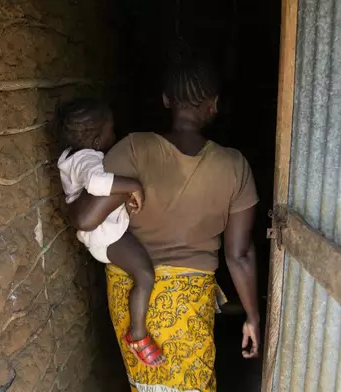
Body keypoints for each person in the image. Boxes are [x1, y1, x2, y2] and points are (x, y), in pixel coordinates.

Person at [67, 53, 259, 391]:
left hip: (130, 292)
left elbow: (85, 217)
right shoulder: (235, 166)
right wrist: (252, 317)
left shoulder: (133, 148)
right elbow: (239, 255)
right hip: (188, 302)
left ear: (166, 100)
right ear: (214, 104)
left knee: (146, 384)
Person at [55, 98, 164, 366]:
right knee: (145, 275)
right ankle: (138, 335)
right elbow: (97, 182)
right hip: (107, 237)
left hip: (104, 234)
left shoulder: (72, 157)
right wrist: (133, 185)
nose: (114, 136)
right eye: (110, 132)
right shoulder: (88, 159)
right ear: (95, 141)